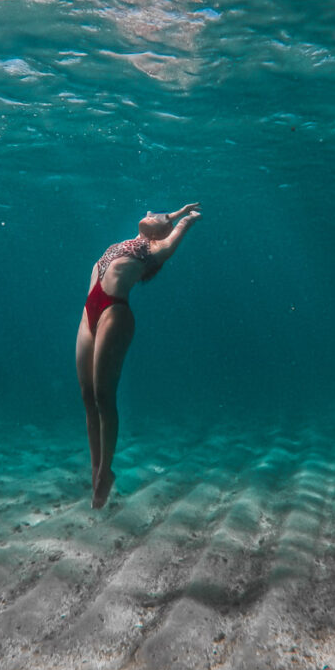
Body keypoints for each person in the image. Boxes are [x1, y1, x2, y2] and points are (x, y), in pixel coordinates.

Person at [76, 203, 202, 508]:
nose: (150, 212)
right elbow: (159, 222)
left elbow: (175, 229)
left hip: (113, 312)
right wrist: (172, 216)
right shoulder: (127, 241)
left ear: (162, 230)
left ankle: (106, 471)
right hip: (89, 311)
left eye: (157, 215)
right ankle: (96, 469)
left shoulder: (158, 249)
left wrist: (184, 218)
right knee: (87, 396)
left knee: (104, 398)